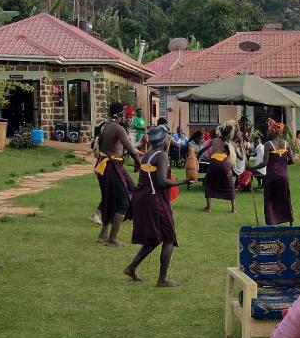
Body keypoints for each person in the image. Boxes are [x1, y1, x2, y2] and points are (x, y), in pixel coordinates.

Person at [123, 125, 191, 286]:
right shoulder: (161, 156)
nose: (170, 138)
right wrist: (183, 181)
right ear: (163, 139)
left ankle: (131, 267)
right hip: (154, 200)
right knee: (168, 237)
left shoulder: (148, 155)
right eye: (168, 136)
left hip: (143, 198)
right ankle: (162, 279)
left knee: (155, 238)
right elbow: (161, 181)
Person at [96, 103, 142, 246]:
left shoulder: (106, 126)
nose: (126, 117)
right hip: (111, 167)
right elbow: (131, 149)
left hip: (106, 166)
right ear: (119, 114)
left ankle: (103, 234)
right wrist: (140, 165)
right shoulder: (118, 128)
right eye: (125, 114)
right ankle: (112, 239)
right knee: (123, 202)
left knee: (110, 199)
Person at [251, 117, 295, 224]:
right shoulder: (286, 144)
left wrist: (253, 167)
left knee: (270, 199)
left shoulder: (268, 144)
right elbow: (292, 161)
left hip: (271, 177)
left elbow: (265, 163)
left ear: (271, 132)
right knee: (285, 198)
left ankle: (271, 221)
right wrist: (283, 163)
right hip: (284, 177)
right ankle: (288, 219)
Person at [200, 123, 238, 213]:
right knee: (229, 184)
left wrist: (196, 156)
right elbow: (235, 154)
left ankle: (208, 207)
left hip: (213, 163)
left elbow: (202, 150)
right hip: (224, 163)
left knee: (208, 183)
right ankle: (233, 208)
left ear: (221, 132)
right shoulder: (229, 142)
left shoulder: (214, 140)